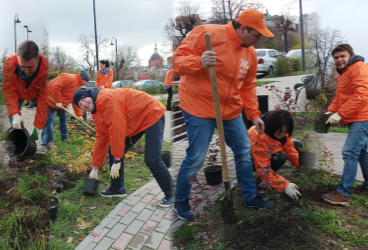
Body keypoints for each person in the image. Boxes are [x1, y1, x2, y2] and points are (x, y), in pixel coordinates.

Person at [172, 9, 275, 219]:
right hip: (198, 105)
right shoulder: (207, 33)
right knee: (196, 157)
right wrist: (199, 62)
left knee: (244, 149)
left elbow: (248, 86)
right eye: (256, 35)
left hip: (230, 110)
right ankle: (181, 201)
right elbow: (177, 63)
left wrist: (254, 114)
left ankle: (249, 196)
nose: (258, 40)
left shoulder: (251, 53)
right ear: (243, 28)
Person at [73, 87, 174, 206]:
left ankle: (173, 194)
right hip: (135, 120)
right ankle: (118, 189)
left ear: (89, 95)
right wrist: (95, 167)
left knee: (152, 160)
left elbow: (117, 129)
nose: (84, 104)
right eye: (80, 104)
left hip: (151, 113)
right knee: (113, 151)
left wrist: (117, 159)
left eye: (84, 99)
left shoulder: (107, 98)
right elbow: (101, 139)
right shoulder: (96, 113)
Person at [321, 44, 368, 206]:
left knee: (349, 151)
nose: (339, 60)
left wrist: (340, 114)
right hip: (358, 116)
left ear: (350, 56)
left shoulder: (359, 68)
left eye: (342, 56)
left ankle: (343, 193)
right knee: (361, 153)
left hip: (366, 116)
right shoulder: (342, 74)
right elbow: (338, 98)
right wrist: (329, 113)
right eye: (336, 57)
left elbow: (361, 95)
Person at [249, 110, 303, 199]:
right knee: (280, 157)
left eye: (285, 132)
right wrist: (284, 184)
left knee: (297, 144)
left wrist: (307, 162)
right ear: (273, 127)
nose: (283, 134)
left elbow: (290, 150)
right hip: (251, 161)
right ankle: (262, 180)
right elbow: (263, 168)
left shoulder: (283, 130)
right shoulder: (259, 136)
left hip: (268, 153)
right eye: (281, 132)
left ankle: (269, 179)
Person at [2, 40, 49, 133]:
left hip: (36, 93)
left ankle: (45, 141)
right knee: (12, 116)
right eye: (22, 66)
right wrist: (15, 114)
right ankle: (17, 139)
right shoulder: (9, 63)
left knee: (47, 112)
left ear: (38, 59)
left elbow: (44, 99)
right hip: (18, 92)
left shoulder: (46, 66)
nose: (26, 71)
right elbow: (9, 90)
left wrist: (37, 127)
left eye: (30, 67)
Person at [35, 71, 87, 149]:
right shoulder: (68, 77)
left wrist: (79, 115)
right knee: (49, 121)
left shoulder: (78, 87)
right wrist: (58, 101)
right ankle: (47, 142)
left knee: (64, 119)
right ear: (82, 78)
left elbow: (75, 102)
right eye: (86, 82)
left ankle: (64, 138)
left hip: (61, 104)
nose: (86, 84)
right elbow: (56, 87)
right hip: (50, 100)